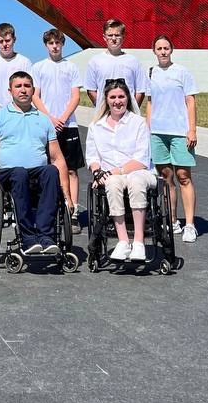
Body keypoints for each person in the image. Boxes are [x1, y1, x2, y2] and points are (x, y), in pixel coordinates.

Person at [0, 71, 70, 256]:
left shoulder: (44, 119)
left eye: (27, 86)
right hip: (9, 174)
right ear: (10, 91)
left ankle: (46, 236)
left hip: (37, 172)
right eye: (18, 86)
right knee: (19, 173)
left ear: (33, 90)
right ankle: (28, 238)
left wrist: (67, 196)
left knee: (51, 171)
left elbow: (58, 158)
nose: (23, 90)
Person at [85, 78, 157, 263]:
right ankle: (123, 240)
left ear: (128, 98)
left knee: (135, 181)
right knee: (112, 183)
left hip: (139, 172)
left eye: (121, 97)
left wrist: (114, 171)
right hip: (110, 176)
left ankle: (139, 242)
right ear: (106, 100)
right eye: (113, 97)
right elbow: (92, 157)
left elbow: (141, 160)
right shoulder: (96, 126)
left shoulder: (138, 123)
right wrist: (97, 172)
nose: (117, 101)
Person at [31, 28, 85, 232]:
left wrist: (62, 118)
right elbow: (35, 96)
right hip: (46, 124)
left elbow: (76, 96)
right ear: (46, 45)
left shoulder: (71, 67)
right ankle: (49, 210)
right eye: (51, 43)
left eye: (57, 43)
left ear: (62, 44)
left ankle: (73, 212)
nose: (54, 46)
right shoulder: (38, 67)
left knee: (71, 169)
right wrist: (50, 118)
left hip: (68, 125)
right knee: (47, 170)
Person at [147, 35, 199, 243]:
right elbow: (150, 103)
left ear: (171, 50)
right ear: (154, 51)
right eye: (159, 48)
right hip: (158, 132)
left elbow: (190, 101)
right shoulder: (151, 73)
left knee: (183, 176)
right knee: (166, 177)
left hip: (179, 132)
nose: (163, 52)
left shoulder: (182, 72)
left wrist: (192, 130)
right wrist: (148, 129)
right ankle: (172, 221)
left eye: (166, 48)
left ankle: (190, 225)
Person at [85, 18, 148, 107]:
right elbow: (91, 90)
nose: (114, 38)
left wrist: (132, 110)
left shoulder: (133, 61)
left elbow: (140, 90)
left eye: (117, 35)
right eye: (110, 35)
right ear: (104, 37)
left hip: (128, 113)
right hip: (104, 113)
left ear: (123, 37)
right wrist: (102, 108)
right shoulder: (95, 61)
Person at [0, 22, 34, 113]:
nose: (4, 44)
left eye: (8, 40)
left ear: (14, 39)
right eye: (1, 41)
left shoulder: (25, 62)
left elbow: (30, 90)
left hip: (19, 114)